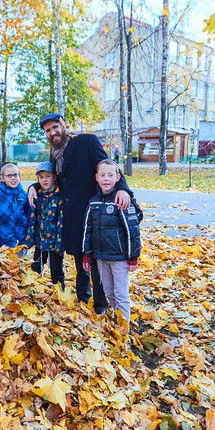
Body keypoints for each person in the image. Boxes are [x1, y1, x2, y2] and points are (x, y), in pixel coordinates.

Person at [28, 113, 133, 315]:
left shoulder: (86, 142)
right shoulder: (55, 153)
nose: (53, 132)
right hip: (72, 217)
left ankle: (101, 305)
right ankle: (84, 299)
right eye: (48, 130)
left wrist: (122, 188)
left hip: (94, 213)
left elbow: (107, 167)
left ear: (64, 125)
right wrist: (34, 186)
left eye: (55, 127)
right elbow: (53, 179)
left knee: (97, 262)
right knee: (80, 261)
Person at [82, 160, 143, 323]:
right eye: (102, 175)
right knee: (108, 291)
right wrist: (87, 255)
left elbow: (132, 232)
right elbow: (87, 230)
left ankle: (124, 330)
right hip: (101, 258)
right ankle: (119, 318)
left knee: (120, 294)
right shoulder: (93, 201)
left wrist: (132, 257)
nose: (106, 179)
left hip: (120, 259)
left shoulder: (122, 200)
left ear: (117, 177)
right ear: (96, 177)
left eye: (110, 175)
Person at [25, 161, 65, 287]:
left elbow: (61, 221)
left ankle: (60, 292)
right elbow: (32, 219)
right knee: (36, 267)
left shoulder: (60, 196)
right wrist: (30, 238)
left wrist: (60, 243)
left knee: (56, 271)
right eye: (41, 177)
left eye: (47, 176)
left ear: (54, 177)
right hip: (40, 240)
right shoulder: (37, 195)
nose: (44, 180)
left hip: (54, 242)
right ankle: (35, 290)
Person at [0, 162, 29, 250]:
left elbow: (29, 217)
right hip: (3, 243)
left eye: (15, 175)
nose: (13, 178)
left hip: (21, 242)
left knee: (20, 263)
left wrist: (27, 240)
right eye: (9, 175)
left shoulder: (23, 195)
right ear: (2, 178)